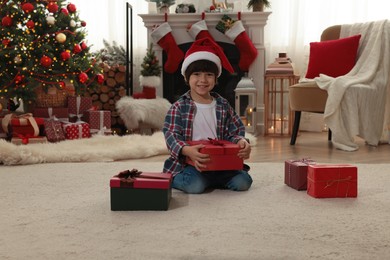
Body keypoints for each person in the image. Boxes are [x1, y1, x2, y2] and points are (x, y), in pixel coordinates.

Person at [162, 38, 253, 194]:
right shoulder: (179, 107)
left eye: (209, 75)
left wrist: (241, 141)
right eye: (196, 74)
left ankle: (214, 180)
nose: (203, 80)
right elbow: (171, 135)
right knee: (195, 186)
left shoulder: (223, 105)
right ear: (186, 78)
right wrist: (187, 150)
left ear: (216, 78)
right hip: (191, 164)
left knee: (244, 182)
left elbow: (234, 131)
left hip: (221, 164)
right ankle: (174, 177)